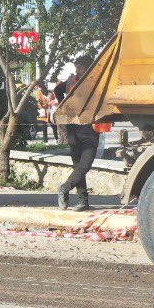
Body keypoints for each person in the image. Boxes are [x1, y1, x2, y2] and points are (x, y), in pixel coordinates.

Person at [54, 54, 98, 212]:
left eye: (79, 67)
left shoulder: (75, 81)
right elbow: (57, 90)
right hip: (82, 127)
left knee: (82, 166)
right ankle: (71, 192)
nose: (77, 70)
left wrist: (64, 105)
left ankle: (80, 199)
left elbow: (57, 90)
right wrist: (64, 105)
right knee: (81, 166)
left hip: (78, 126)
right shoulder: (92, 82)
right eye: (76, 68)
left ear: (87, 67)